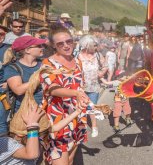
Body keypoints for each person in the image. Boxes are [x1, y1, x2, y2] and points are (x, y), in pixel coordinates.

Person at [40, 27, 90, 165]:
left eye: (69, 41)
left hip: (77, 116)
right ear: (53, 45)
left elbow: (80, 85)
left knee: (69, 160)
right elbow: (52, 89)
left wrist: (85, 99)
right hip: (58, 117)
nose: (66, 45)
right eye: (60, 44)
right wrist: (76, 93)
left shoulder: (77, 61)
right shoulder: (48, 64)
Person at [4, 36, 45, 117]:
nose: (42, 48)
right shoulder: (12, 68)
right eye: (39, 46)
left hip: (45, 109)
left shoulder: (44, 64)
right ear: (27, 50)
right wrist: (41, 77)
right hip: (24, 113)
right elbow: (18, 90)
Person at [77, 35, 107, 138]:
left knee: (92, 107)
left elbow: (105, 66)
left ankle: (94, 126)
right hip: (81, 87)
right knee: (81, 107)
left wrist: (102, 73)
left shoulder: (98, 55)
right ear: (87, 45)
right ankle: (81, 127)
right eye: (94, 45)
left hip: (94, 87)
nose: (96, 47)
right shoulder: (78, 56)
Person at [0, 24, 11, 136]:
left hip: (2, 91)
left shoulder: (9, 49)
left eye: (2, 34)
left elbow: (15, 66)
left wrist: (8, 81)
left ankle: (3, 150)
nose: (0, 36)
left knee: (1, 121)